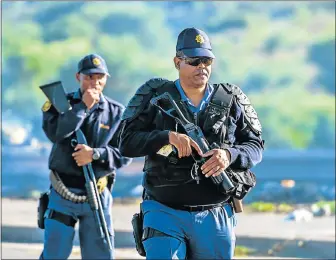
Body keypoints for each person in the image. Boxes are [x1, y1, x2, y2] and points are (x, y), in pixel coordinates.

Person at [118, 28, 264, 259]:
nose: (202, 67)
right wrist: (166, 137)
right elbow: (125, 143)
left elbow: (255, 147)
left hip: (215, 214)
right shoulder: (153, 95)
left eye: (207, 60)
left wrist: (228, 154)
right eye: (194, 61)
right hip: (163, 210)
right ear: (177, 62)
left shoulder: (231, 98)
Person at [40, 54, 132, 259]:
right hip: (62, 193)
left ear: (106, 79)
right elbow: (55, 134)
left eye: (100, 77)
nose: (95, 82)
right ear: (78, 77)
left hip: (97, 194)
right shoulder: (59, 103)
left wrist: (95, 155)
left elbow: (125, 154)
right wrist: (82, 108)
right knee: (54, 253)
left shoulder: (117, 113)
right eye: (89, 77)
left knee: (99, 254)